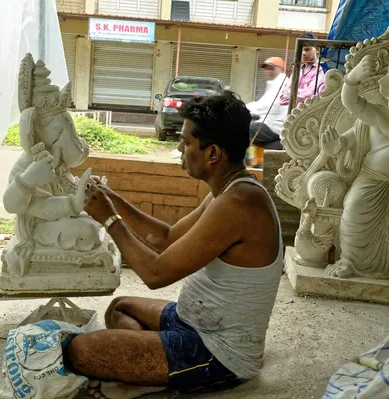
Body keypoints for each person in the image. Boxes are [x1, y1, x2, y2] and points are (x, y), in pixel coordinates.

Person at [64, 91, 284, 398]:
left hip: (217, 352)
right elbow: (167, 238)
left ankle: (159, 374)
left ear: (213, 153)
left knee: (79, 351)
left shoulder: (239, 203)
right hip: (189, 320)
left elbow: (156, 274)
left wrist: (109, 219)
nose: (179, 148)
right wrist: (112, 200)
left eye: (186, 142)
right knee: (119, 308)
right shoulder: (229, 189)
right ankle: (152, 374)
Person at [246, 56, 289, 152]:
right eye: (267, 68)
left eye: (271, 68)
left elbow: (269, 105)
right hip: (269, 120)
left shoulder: (281, 83)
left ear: (279, 68)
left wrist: (246, 108)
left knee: (246, 130)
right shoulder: (273, 83)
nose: (268, 70)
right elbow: (262, 103)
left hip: (276, 124)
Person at [279, 32, 326, 108]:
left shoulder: (321, 70)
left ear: (317, 49)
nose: (303, 53)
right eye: (301, 50)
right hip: (293, 115)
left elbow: (311, 94)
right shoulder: (298, 70)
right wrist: (300, 94)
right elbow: (282, 98)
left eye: (307, 50)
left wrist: (292, 93)